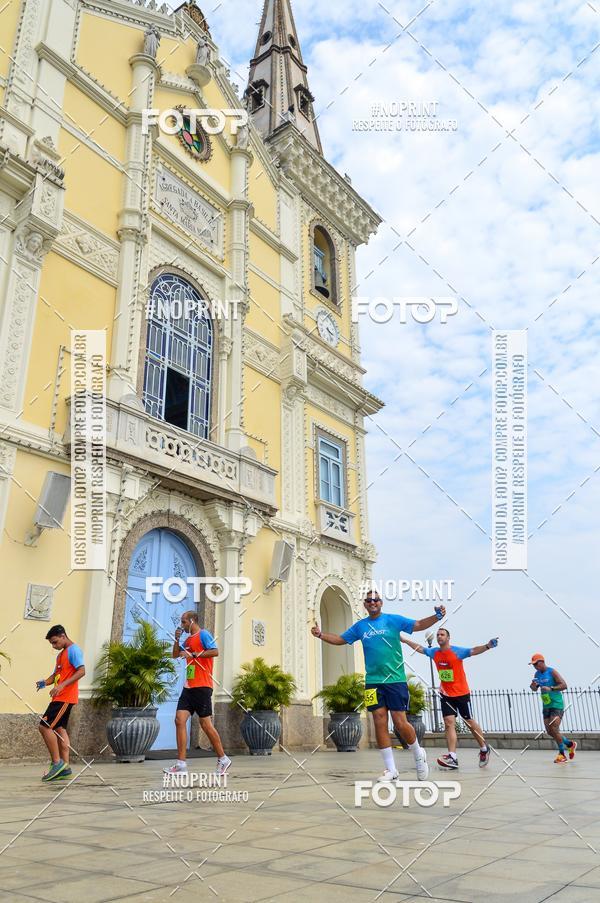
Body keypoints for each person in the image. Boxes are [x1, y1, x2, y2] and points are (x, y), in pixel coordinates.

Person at [311, 590, 447, 782]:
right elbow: (341, 639)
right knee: (379, 721)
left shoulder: (393, 620)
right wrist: (321, 635)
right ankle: (391, 770)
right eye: (369, 600)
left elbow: (417, 625)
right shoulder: (361, 626)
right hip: (373, 683)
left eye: (375, 600)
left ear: (381, 603)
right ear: (365, 605)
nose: (372, 602)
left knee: (400, 723)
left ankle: (418, 752)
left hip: (395, 680)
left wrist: (437, 616)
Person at [402, 628, 498, 769]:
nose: (439, 637)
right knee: (448, 723)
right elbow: (420, 649)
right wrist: (404, 640)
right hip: (446, 694)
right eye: (438, 635)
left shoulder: (457, 651)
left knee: (469, 722)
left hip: (461, 693)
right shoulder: (435, 652)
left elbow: (473, 651)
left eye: (442, 635)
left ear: (448, 638)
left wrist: (487, 646)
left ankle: (484, 748)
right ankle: (452, 757)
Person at [163, 610, 231, 777]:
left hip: (202, 686)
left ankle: (223, 758)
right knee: (179, 720)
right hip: (189, 687)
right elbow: (175, 655)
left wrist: (193, 654)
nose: (182, 625)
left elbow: (215, 651)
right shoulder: (187, 639)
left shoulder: (204, 635)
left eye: (184, 622)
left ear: (192, 621)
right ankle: (181, 765)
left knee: (205, 725)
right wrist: (177, 639)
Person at [36, 625, 85, 782]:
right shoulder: (61, 655)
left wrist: (62, 686)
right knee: (59, 729)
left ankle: (57, 763)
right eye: (52, 643)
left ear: (63, 636)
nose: (54, 646)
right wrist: (45, 683)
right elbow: (56, 675)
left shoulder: (74, 650)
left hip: (65, 697)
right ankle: (65, 767)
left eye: (55, 642)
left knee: (44, 726)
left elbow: (81, 671)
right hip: (60, 697)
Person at [529, 653, 575, 764]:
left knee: (554, 728)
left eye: (535, 664)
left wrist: (551, 688)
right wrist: (533, 686)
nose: (534, 666)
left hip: (557, 704)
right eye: (533, 665)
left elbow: (564, 685)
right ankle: (569, 744)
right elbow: (534, 689)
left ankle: (562, 755)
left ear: (541, 662)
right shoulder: (537, 673)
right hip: (546, 704)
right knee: (549, 731)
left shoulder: (552, 672)